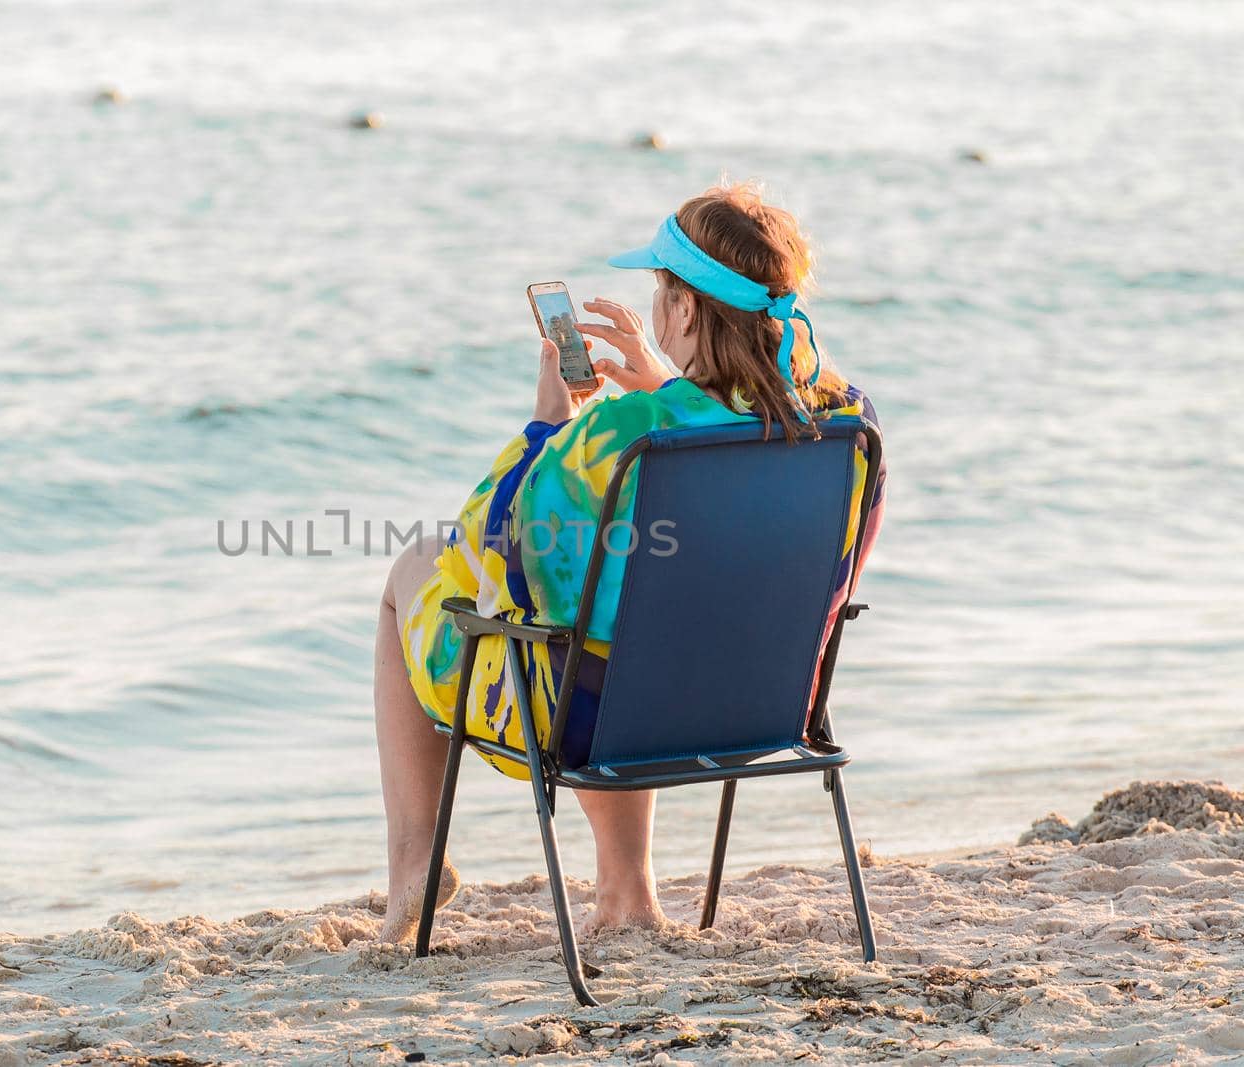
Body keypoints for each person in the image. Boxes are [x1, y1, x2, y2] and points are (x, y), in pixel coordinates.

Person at [373, 181, 887, 942]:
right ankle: (625, 891)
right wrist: (676, 395)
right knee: (636, 605)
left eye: (660, 290)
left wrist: (548, 427)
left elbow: (499, 546)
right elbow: (815, 552)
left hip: (601, 725)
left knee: (419, 570)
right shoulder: (847, 423)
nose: (655, 307)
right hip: (768, 703)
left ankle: (415, 864)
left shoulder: (623, 433)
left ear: (681, 310)